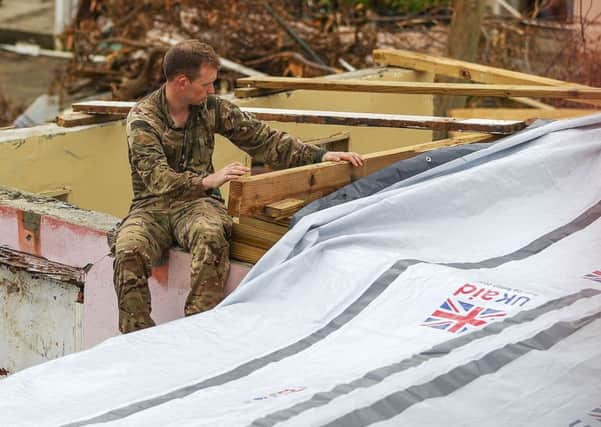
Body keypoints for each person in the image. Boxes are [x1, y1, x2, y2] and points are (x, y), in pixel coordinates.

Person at [113, 40, 364, 333]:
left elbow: (263, 139)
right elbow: (156, 178)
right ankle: (134, 337)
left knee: (210, 236)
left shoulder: (211, 108)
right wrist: (209, 180)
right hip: (151, 206)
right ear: (182, 82)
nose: (211, 91)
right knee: (128, 249)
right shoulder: (143, 120)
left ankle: (196, 331)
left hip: (197, 205)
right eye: (206, 84)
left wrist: (320, 155)